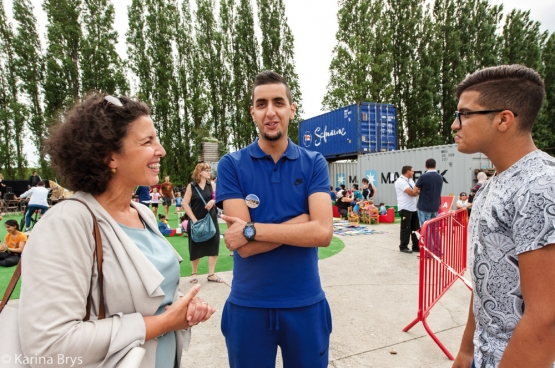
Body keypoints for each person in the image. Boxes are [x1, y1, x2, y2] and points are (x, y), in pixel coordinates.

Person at [18, 93, 214, 367]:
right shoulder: (66, 224)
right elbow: (48, 346)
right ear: (110, 156)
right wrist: (162, 323)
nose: (161, 150)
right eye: (147, 141)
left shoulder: (141, 212)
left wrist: (184, 306)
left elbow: (152, 291)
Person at [216, 70, 333, 368]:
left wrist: (253, 230)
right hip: (248, 307)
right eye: (262, 103)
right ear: (252, 112)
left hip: (305, 305)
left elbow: (322, 233)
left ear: (291, 110)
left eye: (279, 102)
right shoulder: (232, 164)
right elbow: (242, 245)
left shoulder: (314, 162)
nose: (270, 111)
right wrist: (302, 223)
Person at [451, 65, 555, 368]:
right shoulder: (489, 188)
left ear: (503, 119)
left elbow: (545, 317)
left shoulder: (541, 185)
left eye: (465, 114)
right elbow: (485, 284)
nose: (455, 125)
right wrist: (467, 351)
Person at [182, 162, 223, 284]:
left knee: (214, 244)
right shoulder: (192, 186)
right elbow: (185, 203)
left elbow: (218, 197)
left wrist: (213, 201)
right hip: (196, 220)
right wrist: (194, 219)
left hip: (211, 219)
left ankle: (211, 274)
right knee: (195, 247)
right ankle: (194, 273)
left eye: (210, 170)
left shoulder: (213, 185)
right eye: (206, 170)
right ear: (200, 172)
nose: (209, 172)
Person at [395, 165, 421, 253]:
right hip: (405, 208)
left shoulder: (410, 180)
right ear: (407, 171)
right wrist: (416, 192)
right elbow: (411, 193)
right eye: (412, 171)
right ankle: (403, 246)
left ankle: (416, 246)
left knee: (416, 228)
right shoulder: (400, 181)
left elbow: (416, 191)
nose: (413, 172)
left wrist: (416, 192)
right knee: (406, 228)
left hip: (413, 207)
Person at [415, 158, 443, 226]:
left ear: (425, 166)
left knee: (426, 227)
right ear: (435, 165)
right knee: (434, 228)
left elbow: (415, 190)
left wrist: (419, 191)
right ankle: (436, 237)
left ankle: (427, 237)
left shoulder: (423, 177)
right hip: (435, 206)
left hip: (424, 206)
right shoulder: (440, 177)